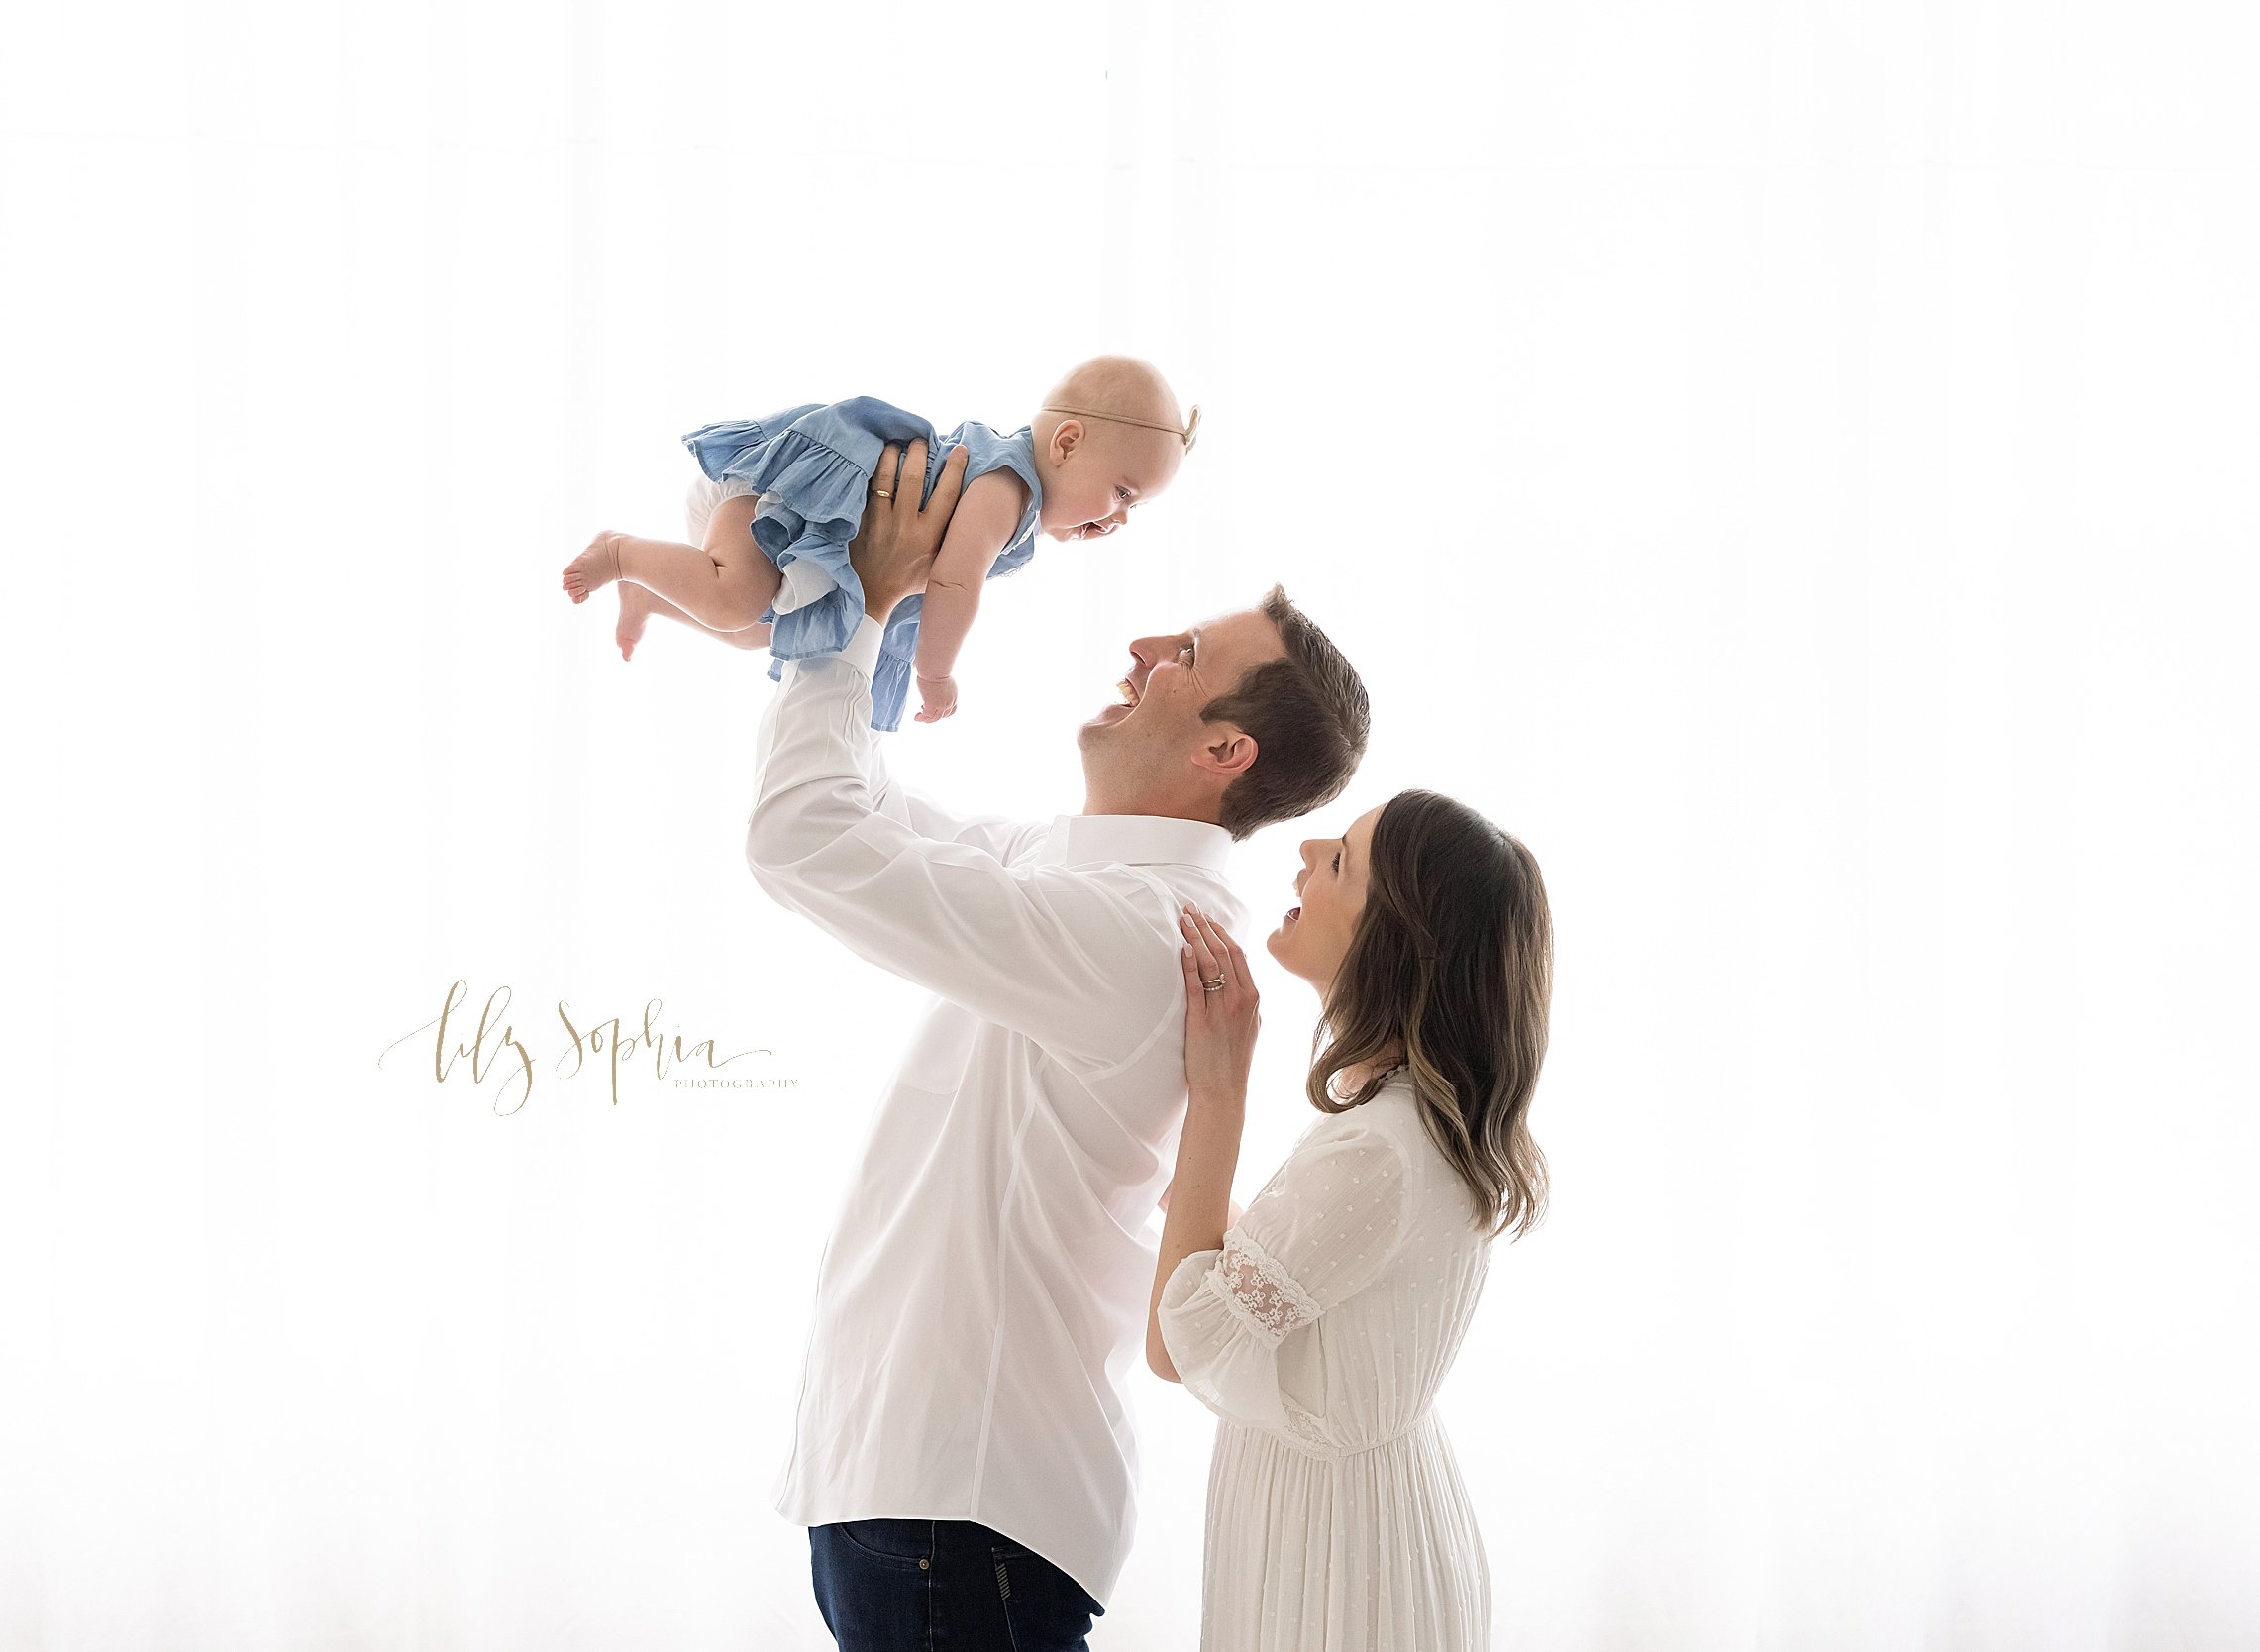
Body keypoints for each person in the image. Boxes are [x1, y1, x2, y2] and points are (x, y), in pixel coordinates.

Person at [734, 437, 1370, 1649]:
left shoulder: (1136, 933)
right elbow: (856, 805)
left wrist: (861, 605)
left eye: (1184, 657)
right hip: (924, 1498)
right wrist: (846, 592)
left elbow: (801, 839)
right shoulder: (1073, 876)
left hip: (956, 1513)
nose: (1138, 650)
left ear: (1224, 751)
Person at [1149, 792, 1554, 1651]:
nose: (1309, 845)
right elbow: (1296, 1285)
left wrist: (1218, 1090)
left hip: (1334, 1558)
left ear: (1394, 945)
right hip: (1368, 1519)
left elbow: (1177, 1344)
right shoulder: (1412, 1123)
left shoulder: (1379, 1148)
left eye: (1341, 860)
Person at [562, 355, 1196, 731]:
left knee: (756, 626)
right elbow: (953, 582)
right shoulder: (1006, 487)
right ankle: (619, 552)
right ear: (1066, 443)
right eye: (1123, 493)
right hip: (782, 497)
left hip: (807, 540)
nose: (1120, 519)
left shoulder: (1017, 502)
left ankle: (651, 593)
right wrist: (936, 673)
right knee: (735, 600)